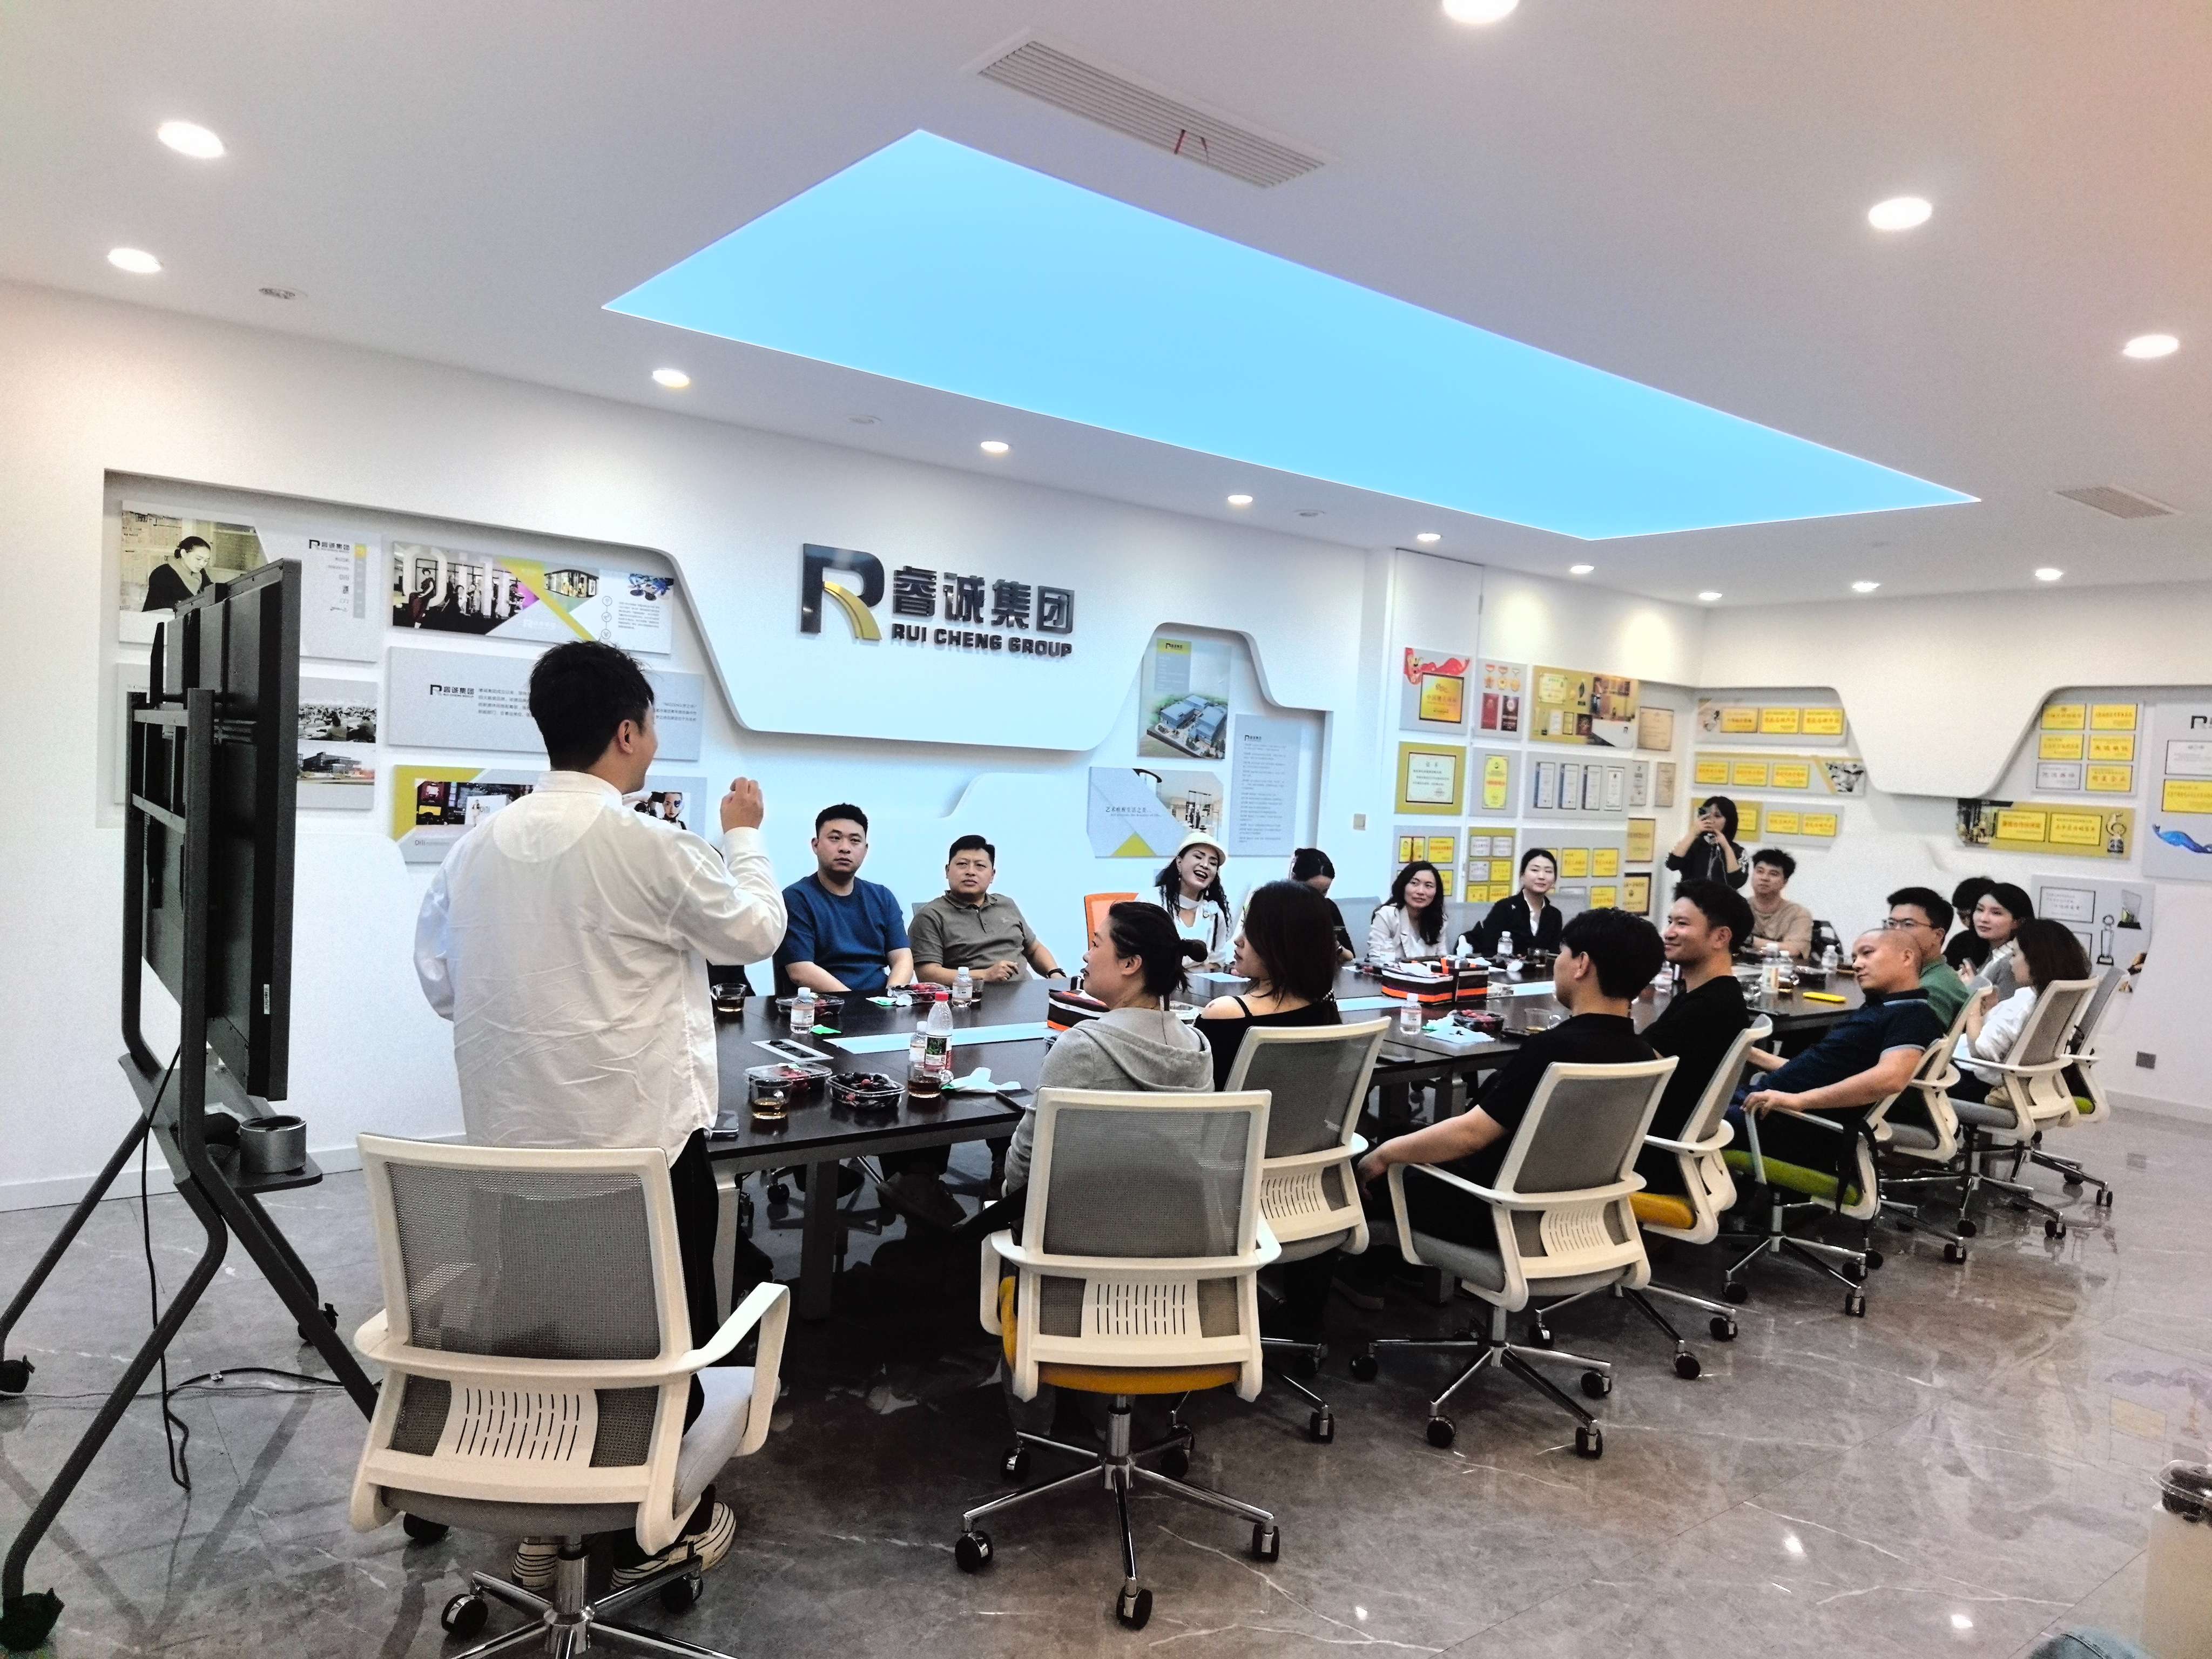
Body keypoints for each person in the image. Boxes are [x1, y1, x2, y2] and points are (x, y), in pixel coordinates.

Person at [414, 639, 785, 1592]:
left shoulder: (471, 849)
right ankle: (660, 1527)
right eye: (652, 726)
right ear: (628, 732)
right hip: (642, 1157)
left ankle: (552, 1512)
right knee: (662, 1339)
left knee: (543, 1330)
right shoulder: (651, 846)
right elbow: (754, 930)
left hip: (514, 1157)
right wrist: (745, 835)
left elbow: (444, 986)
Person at [990, 902, 1212, 1437]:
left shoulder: (1082, 1047)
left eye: (1096, 944)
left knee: (1006, 1222)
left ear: (1130, 964)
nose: (1086, 957)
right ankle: (1112, 1407)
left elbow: (1024, 1166)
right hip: (1173, 1247)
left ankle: (1033, 1423)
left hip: (1075, 1252)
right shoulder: (1198, 1047)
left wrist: (1007, 1206)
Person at [1353, 911, 1664, 1253]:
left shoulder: (1553, 1050)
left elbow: (1470, 1136)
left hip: (1493, 1211)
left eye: (1563, 952)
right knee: (1406, 1138)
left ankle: (1366, 1269)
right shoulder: (1645, 1055)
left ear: (1582, 965)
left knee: (1364, 1168)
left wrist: (1383, 1156)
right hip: (1577, 1214)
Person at [776, 807, 951, 1225]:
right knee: (866, 1077)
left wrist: (891, 995)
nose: (844, 848)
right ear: (816, 845)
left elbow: (902, 958)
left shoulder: (881, 896)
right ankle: (832, 1165)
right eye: (835, 838)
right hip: (825, 1019)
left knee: (925, 1075)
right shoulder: (796, 898)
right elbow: (800, 970)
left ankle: (915, 1177)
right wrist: (859, 1001)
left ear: (865, 850)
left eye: (854, 841)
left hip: (881, 1014)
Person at [1197, 880, 1345, 1340]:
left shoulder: (1229, 1013)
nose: (1238, 941)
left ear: (1281, 943)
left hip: (1227, 1177)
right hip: (1303, 1180)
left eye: (1251, 931)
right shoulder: (1327, 1011)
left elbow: (1195, 1104)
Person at [1736, 929, 1944, 1176]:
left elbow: (1891, 1078)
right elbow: (1821, 1069)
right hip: (1771, 1108)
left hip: (1791, 1123)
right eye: (1855, 957)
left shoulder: (1912, 1014)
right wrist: (1750, 1053)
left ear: (1906, 957)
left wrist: (1799, 1101)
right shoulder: (1882, 1008)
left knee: (1692, 1119)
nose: (1856, 964)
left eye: (1867, 953)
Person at [1637, 882, 1755, 1191]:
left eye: (1682, 924)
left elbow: (1634, 1070)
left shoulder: (1709, 1007)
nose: (1668, 933)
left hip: (1651, 1156)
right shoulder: (1710, 995)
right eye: (1670, 922)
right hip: (1668, 1148)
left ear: (1721, 937)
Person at [1954, 919, 2092, 1101]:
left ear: (2035, 960)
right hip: (2026, 1084)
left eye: (2014, 954)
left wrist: (1974, 1004)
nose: (2010, 962)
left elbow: (1979, 1051)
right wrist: (1993, 1010)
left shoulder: (2025, 1001)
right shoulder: (2057, 998)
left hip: (1979, 1082)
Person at [908, 834, 1064, 986]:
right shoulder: (931, 915)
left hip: (1025, 993)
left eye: (980, 866)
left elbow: (1034, 949)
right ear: (947, 871)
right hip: (972, 998)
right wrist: (984, 975)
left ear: (992, 875)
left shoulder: (1006, 904)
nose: (971, 872)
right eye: (962, 864)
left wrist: (1055, 973)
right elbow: (927, 973)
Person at [1883, 886, 1968, 1027]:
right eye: (1891, 924)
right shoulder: (1923, 974)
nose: (1896, 932)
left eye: (1908, 924)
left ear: (1938, 935)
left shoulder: (1931, 990)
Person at [1148, 831, 1234, 967]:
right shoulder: (1151, 902)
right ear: (1179, 863)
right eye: (1198, 857)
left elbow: (1217, 962)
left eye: (1213, 863)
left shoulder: (1215, 914)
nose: (1205, 865)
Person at [1460, 848, 1562, 958]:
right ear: (1522, 875)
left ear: (1554, 879)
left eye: (1548, 871)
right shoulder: (1504, 908)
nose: (1541, 876)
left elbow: (1554, 955)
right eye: (1535, 870)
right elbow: (1489, 951)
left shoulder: (1555, 915)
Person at [1367, 860, 1447, 966]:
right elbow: (1376, 960)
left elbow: (1443, 961)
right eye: (1414, 883)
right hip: (1391, 975)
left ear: (1437, 892)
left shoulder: (1439, 920)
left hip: (1429, 976)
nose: (1421, 891)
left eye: (1428, 886)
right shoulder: (1387, 915)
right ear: (1403, 885)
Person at [1963, 882, 2035, 999]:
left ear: (2018, 922)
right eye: (1980, 909)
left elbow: (2002, 1008)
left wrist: (1971, 986)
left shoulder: (2011, 963)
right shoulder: (1992, 954)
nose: (1983, 919)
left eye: (1996, 913)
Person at [1744, 848, 1813, 959]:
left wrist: (1749, 940)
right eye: (1760, 871)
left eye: (1774, 874)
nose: (1764, 878)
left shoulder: (1798, 913)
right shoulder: (1738, 907)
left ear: (1785, 882)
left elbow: (1794, 950)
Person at [1667, 797, 1746, 891]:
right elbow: (1672, 864)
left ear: (1729, 820)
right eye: (1707, 815)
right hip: (1690, 898)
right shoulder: (1692, 844)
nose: (1710, 820)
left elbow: (1737, 882)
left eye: (1717, 816)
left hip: (1722, 899)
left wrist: (1726, 847)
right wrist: (1693, 832)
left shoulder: (1738, 851)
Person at [1291, 847, 1355, 961]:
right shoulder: (1276, 908)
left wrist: (1334, 943)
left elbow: (1350, 956)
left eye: (1324, 892)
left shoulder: (1329, 908)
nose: (1318, 898)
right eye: (1312, 891)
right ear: (1294, 879)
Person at [141, 534, 213, 610]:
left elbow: (211, 591)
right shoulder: (162, 573)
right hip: (161, 616)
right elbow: (161, 604)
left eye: (206, 561)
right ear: (184, 553)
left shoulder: (200, 572)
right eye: (198, 559)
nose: (202, 564)